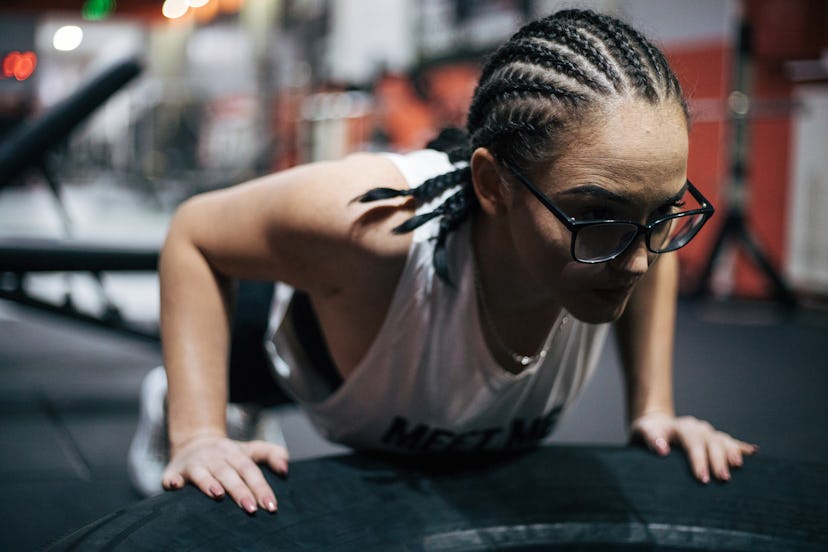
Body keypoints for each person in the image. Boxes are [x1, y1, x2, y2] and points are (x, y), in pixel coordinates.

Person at [130, 8, 757, 514]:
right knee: (236, 390)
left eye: (661, 216)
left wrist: (654, 410)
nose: (640, 261)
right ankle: (176, 400)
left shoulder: (618, 246)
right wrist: (199, 433)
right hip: (305, 333)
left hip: (412, 363)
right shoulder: (370, 227)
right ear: (492, 186)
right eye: (598, 216)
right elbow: (194, 233)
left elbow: (642, 238)